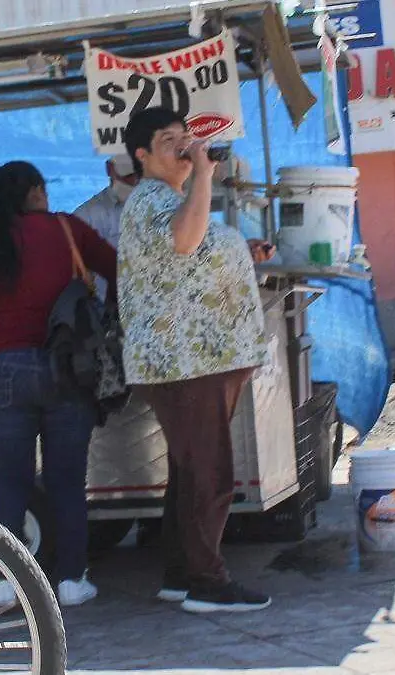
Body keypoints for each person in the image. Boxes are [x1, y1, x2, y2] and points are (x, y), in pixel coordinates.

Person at [118, 107, 274, 614]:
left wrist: (237, 248)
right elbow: (184, 242)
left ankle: (182, 573)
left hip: (197, 363)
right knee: (210, 474)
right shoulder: (151, 200)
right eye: (170, 142)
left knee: (192, 473)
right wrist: (205, 173)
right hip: (187, 364)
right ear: (141, 156)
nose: (185, 148)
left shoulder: (169, 200)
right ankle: (208, 582)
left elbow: (192, 245)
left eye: (186, 139)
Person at [0, 161, 116, 609]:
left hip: (5, 370)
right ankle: (71, 581)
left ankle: (3, 583)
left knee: (9, 480)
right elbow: (117, 271)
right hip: (68, 369)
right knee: (65, 481)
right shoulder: (68, 230)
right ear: (38, 192)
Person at [73, 154, 138, 299]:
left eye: (139, 172)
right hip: (110, 312)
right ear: (110, 169)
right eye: (128, 175)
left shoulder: (164, 204)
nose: (134, 180)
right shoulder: (85, 217)